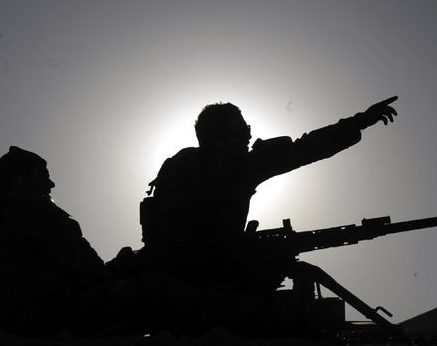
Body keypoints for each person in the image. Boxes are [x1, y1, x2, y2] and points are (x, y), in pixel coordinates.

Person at [0, 147, 273, 336]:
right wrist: (126, 267)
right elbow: (89, 272)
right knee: (156, 288)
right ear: (22, 179)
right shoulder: (34, 210)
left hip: (26, 320)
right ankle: (264, 318)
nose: (50, 183)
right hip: (56, 318)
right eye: (42, 175)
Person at [139, 97, 398, 291]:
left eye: (248, 130)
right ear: (216, 141)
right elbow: (178, 243)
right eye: (241, 134)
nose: (249, 138)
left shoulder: (243, 168)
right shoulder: (183, 172)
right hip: (179, 278)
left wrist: (360, 121)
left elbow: (304, 149)